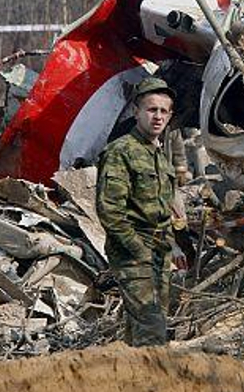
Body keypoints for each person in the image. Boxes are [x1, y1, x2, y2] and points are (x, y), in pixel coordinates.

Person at [97, 77, 178, 346]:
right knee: (152, 329)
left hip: (160, 251)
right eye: (151, 109)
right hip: (134, 252)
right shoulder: (121, 151)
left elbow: (163, 208)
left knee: (145, 327)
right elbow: (110, 211)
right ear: (136, 112)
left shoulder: (158, 154)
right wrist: (139, 250)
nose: (158, 117)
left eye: (163, 111)